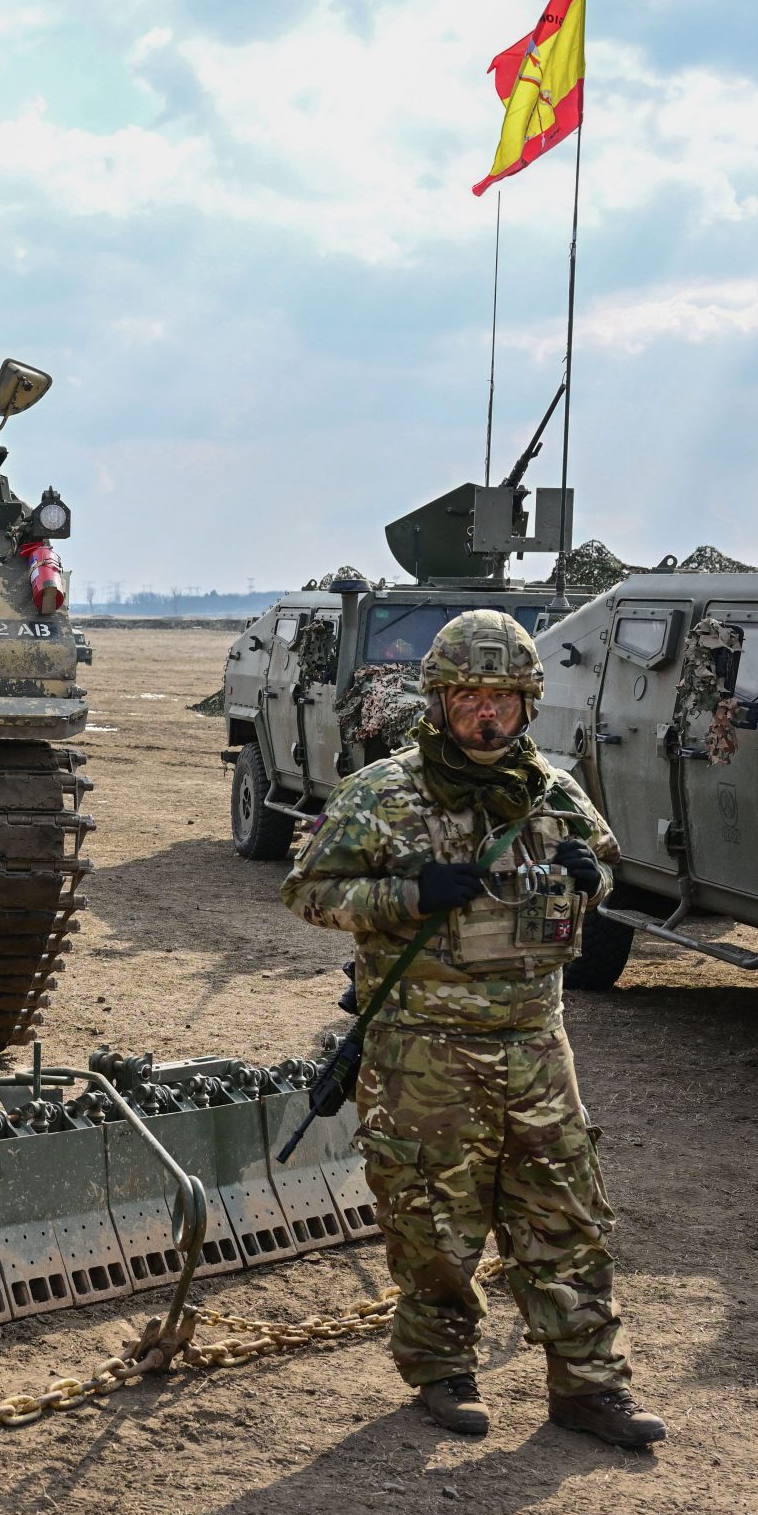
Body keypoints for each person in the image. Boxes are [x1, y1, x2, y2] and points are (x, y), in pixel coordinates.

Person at [280, 608, 666, 1449]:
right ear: (439, 702)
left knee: (567, 1215)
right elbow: (307, 890)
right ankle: (442, 1370)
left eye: (502, 699)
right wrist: (409, 894)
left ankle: (590, 1385)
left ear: (528, 704)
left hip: (536, 1045)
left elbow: (602, 871)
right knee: (432, 1221)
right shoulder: (383, 793)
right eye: (468, 700)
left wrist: (590, 878)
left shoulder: (555, 791)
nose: (486, 715)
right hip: (425, 1050)